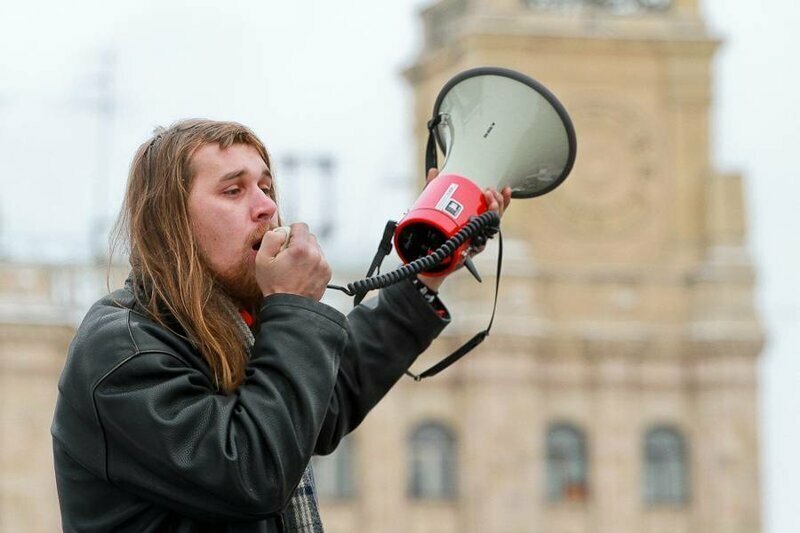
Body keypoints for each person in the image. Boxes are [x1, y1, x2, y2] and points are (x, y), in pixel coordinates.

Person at [51, 119, 511, 532]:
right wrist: (291, 305)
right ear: (171, 222)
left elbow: (322, 402)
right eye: (234, 191)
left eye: (266, 188)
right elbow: (251, 472)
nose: (266, 208)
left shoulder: (234, 327)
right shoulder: (124, 349)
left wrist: (427, 271)